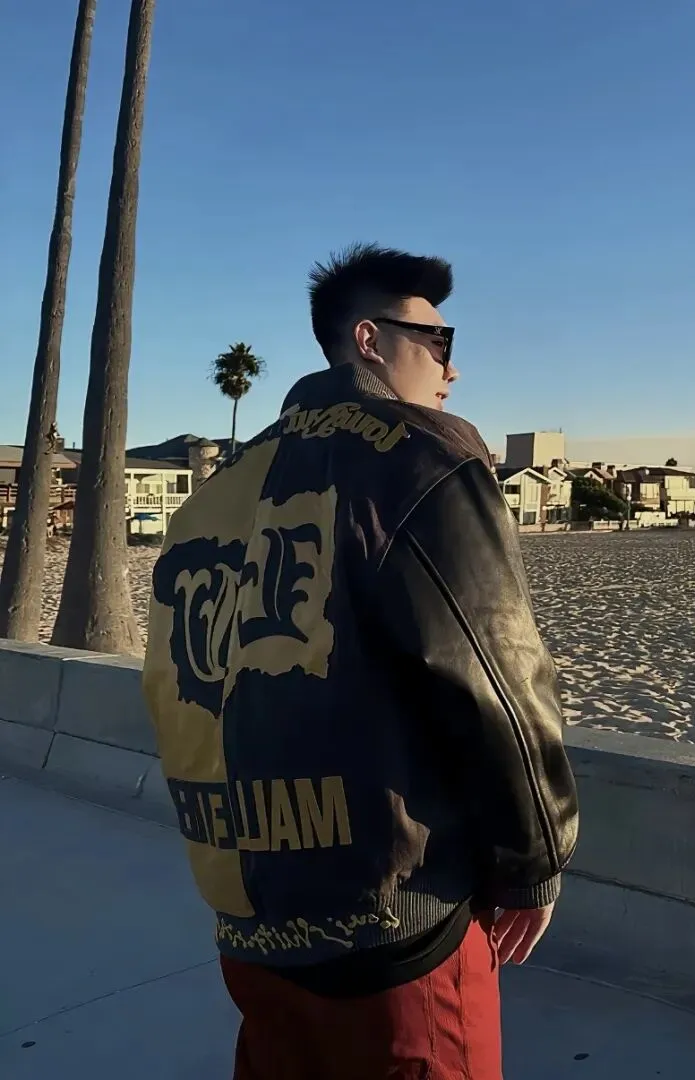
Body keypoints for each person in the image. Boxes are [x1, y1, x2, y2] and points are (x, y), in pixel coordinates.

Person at [142, 243, 579, 1079]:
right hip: (395, 924)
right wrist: (536, 861)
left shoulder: (218, 488)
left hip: (248, 915)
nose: (452, 368)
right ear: (370, 341)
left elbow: (173, 684)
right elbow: (496, 680)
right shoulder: (424, 457)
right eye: (439, 342)